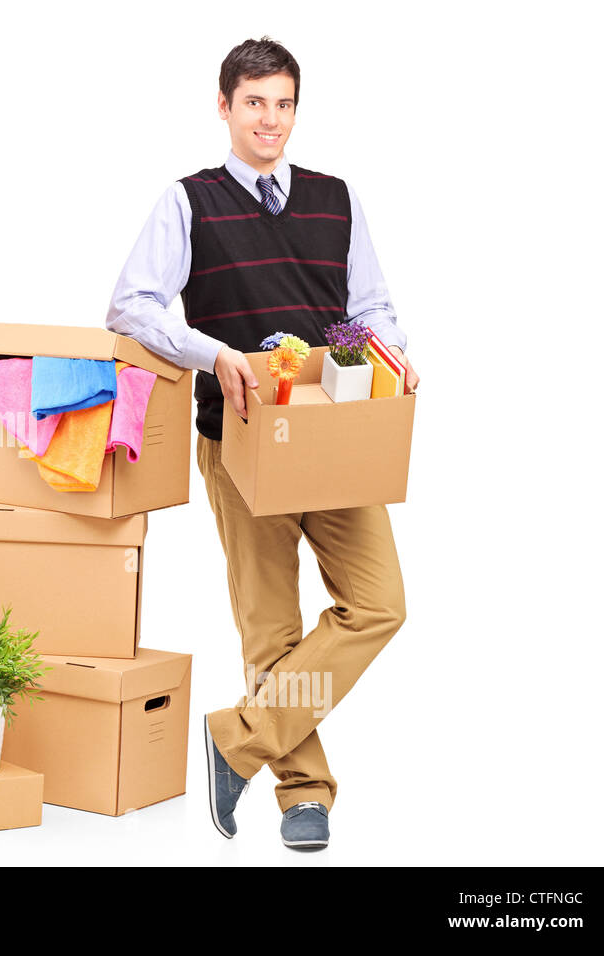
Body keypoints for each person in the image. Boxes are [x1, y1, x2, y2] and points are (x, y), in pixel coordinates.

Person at [105, 36, 417, 850]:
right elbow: (132, 305)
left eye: (282, 103)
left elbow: (372, 306)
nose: (269, 119)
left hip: (334, 433)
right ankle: (303, 793)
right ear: (225, 107)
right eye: (254, 103)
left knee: (379, 604)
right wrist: (216, 353)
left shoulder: (334, 198)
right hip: (239, 439)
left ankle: (237, 739)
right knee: (271, 628)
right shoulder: (189, 202)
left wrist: (391, 355)